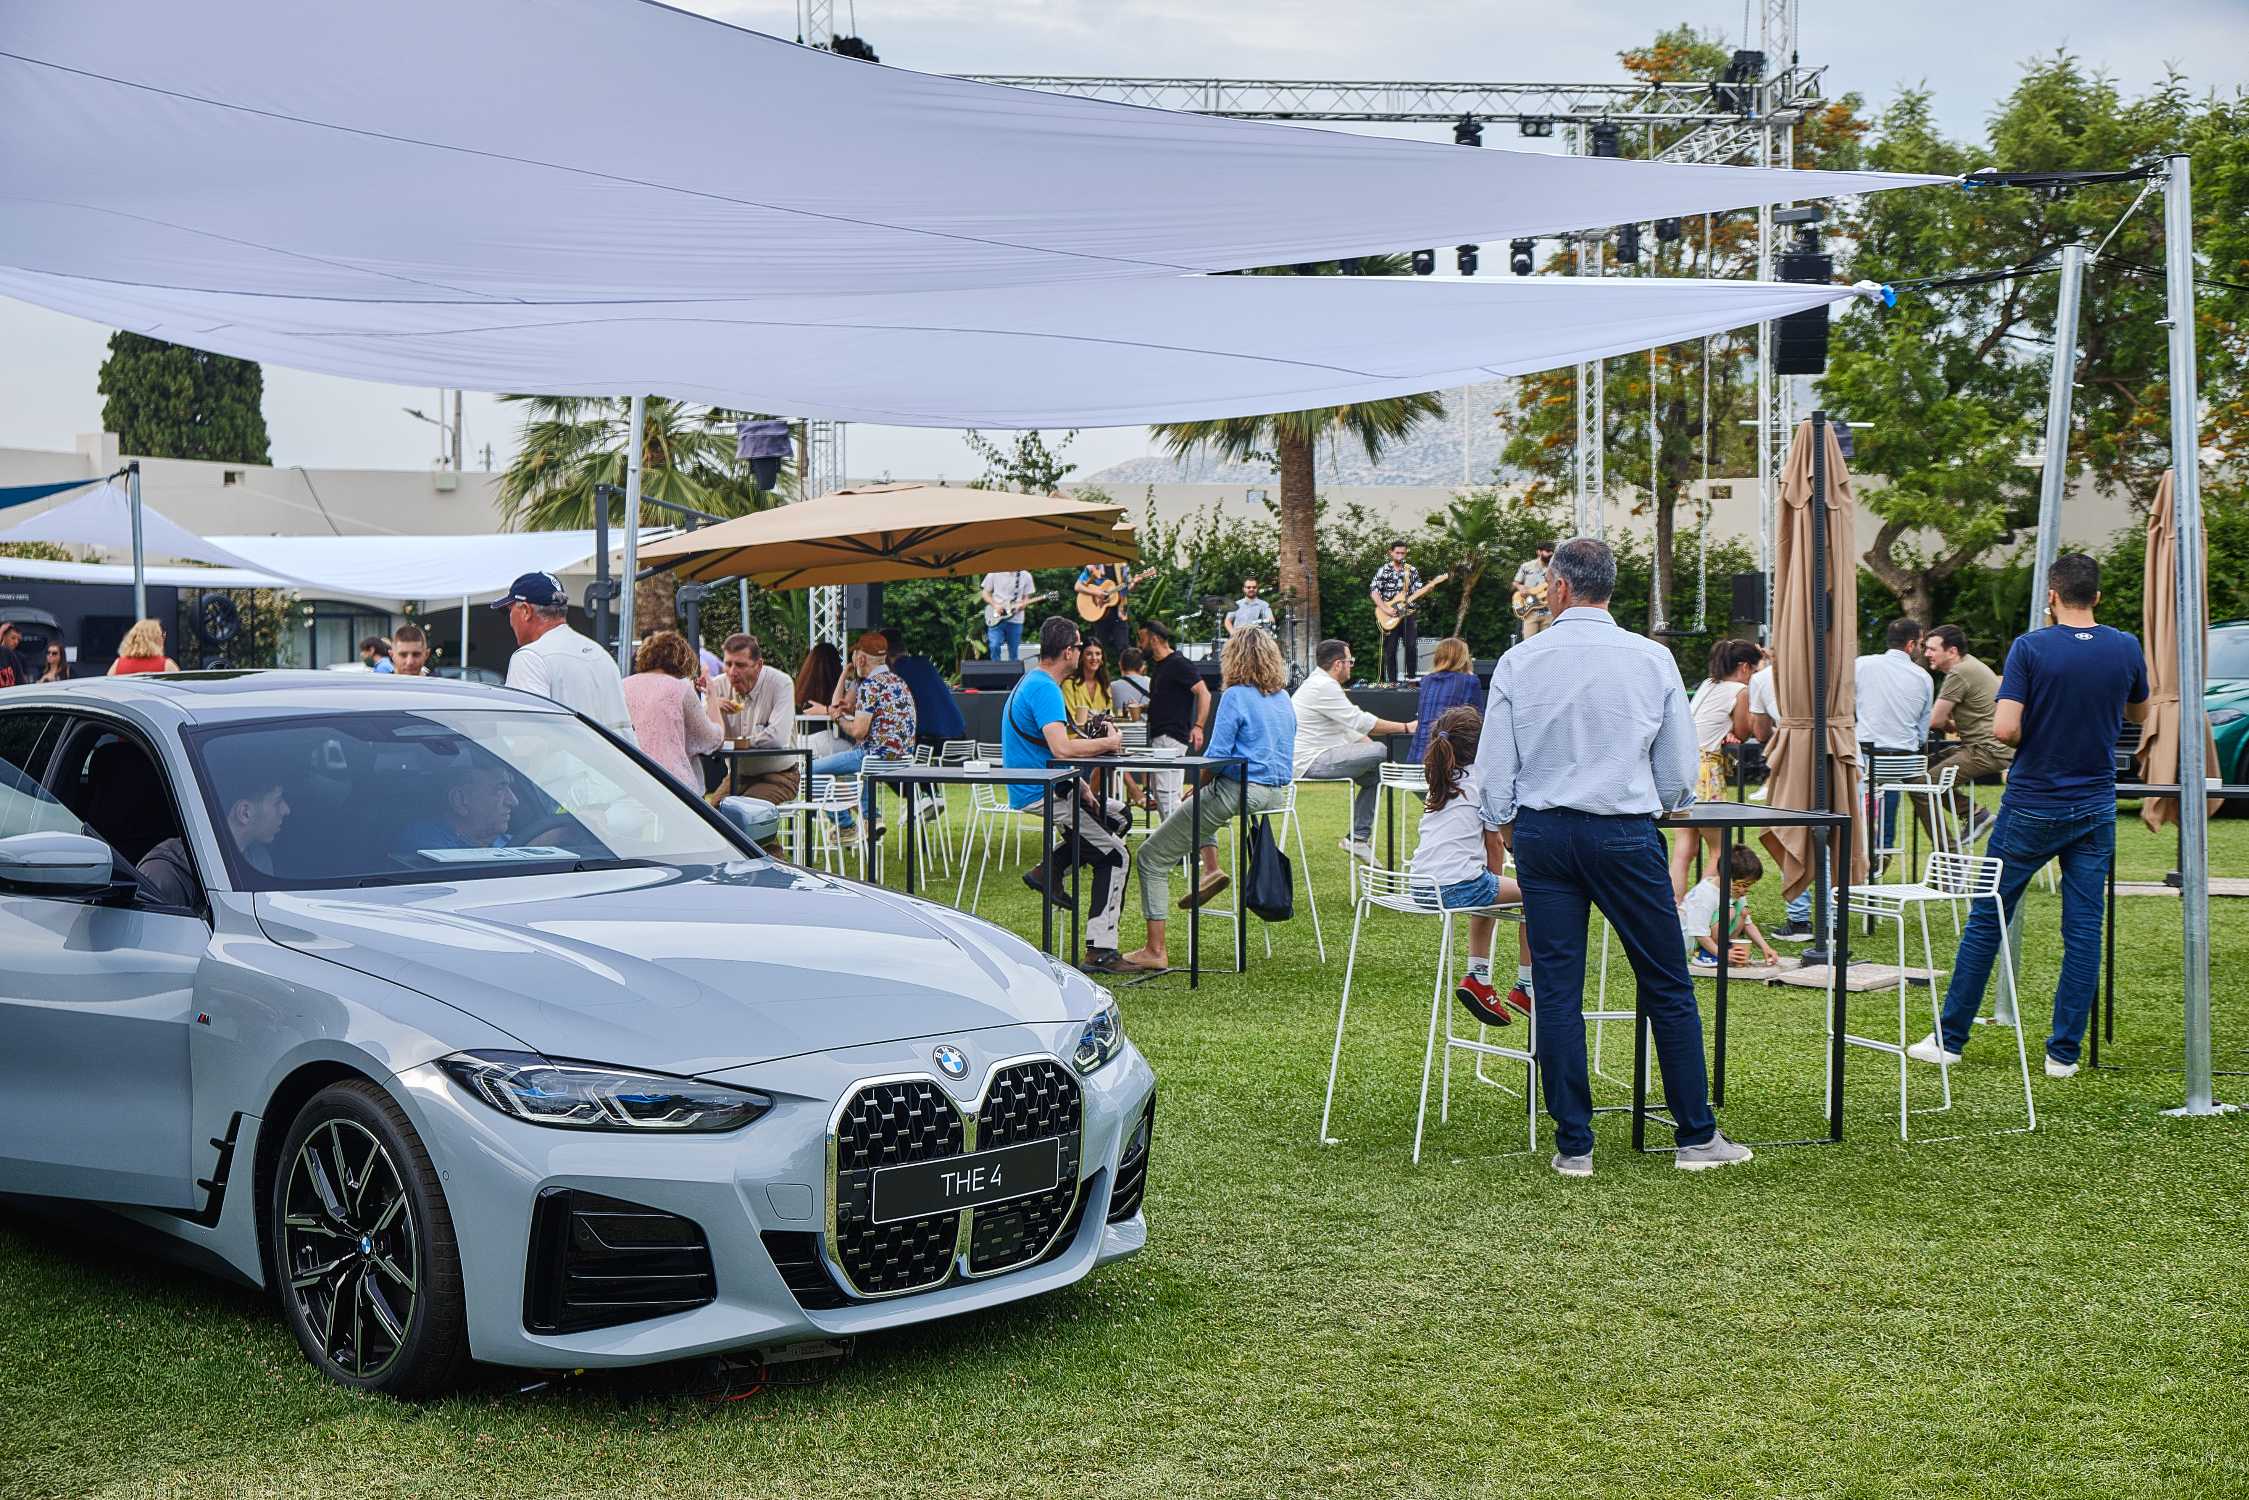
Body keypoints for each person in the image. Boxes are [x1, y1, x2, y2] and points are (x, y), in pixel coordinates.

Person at [1475, 536, 1751, 1176]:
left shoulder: (1520, 659)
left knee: (1556, 988)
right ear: (1608, 588)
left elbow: (1493, 770)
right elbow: (1678, 772)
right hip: (1625, 832)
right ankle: (1696, 1136)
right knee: (1667, 982)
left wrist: (1512, 828)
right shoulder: (1653, 658)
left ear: (1559, 587)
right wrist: (1656, 804)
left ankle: (1574, 1145)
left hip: (1544, 833)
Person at [1909, 553, 2150, 1080]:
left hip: (2034, 801)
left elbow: (2004, 730)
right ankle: (2063, 1054)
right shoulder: (2125, 646)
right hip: (2095, 803)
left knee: (1987, 919)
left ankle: (1950, 1040)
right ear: (2098, 597)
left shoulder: (2031, 647)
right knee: (2083, 930)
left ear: (2052, 596)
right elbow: (2138, 711)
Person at [1115, 627, 1294, 973]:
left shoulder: (1236, 696)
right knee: (1197, 806)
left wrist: (1199, 784)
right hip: (1274, 796)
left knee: (1151, 857)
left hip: (1238, 791)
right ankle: (1210, 870)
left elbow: (1216, 757)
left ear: (1234, 658)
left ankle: (1155, 950)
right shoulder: (1282, 698)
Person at [1001, 616, 1130, 971]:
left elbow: (1045, 748)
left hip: (1048, 785)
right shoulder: (1045, 688)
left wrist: (1080, 783)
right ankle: (1100, 950)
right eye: (1079, 646)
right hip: (1042, 791)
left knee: (1118, 815)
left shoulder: (1034, 681)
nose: (1084, 652)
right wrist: (1110, 743)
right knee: (1116, 856)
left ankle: (1050, 869)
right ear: (1069, 652)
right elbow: (1061, 748)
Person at [1412, 705, 1536, 1027]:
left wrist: (1493, 887)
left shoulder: (1443, 779)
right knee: (1538, 895)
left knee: (1488, 889)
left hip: (1419, 886)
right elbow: (1494, 844)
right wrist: (1496, 883)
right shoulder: (1483, 782)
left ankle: (1479, 976)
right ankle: (1526, 986)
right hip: (1456, 885)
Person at [1292, 638, 1415, 861]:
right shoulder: (1324, 686)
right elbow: (1361, 722)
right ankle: (1358, 838)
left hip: (1317, 755)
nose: (1352, 665)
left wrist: (1385, 761)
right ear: (1338, 664)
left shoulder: (1321, 683)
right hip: (1309, 761)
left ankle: (1357, 839)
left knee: (1377, 771)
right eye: (1350, 661)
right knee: (1380, 750)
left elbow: (1350, 730)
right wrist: (1406, 728)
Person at [137, 748, 292, 905]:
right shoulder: (164, 873)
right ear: (245, 813)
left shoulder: (259, 859)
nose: (286, 810)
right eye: (277, 802)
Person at [495, 572, 636, 744]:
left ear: (525, 611)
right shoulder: (600, 654)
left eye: (509, 610)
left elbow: (525, 742)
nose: (510, 620)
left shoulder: (530, 658)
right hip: (615, 761)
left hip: (562, 763)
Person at [1670, 638, 1759, 899]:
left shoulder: (1709, 684)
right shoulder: (1739, 691)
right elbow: (1743, 732)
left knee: (1684, 849)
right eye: (1754, 671)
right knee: (1720, 851)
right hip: (1706, 772)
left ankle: (1676, 909)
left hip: (1682, 768)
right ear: (1744, 667)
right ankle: (1696, 908)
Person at [809, 630, 916, 836]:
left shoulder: (870, 685)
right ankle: (871, 818)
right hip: (901, 760)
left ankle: (844, 824)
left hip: (873, 758)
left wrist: (837, 717)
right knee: (854, 767)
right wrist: (851, 710)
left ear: (861, 659)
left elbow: (858, 731)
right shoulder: (899, 682)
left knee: (810, 771)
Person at [1919, 624, 2009, 843]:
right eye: (1926, 648)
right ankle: (1974, 814)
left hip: (1986, 750)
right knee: (1919, 770)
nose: (1927, 654)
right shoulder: (1970, 665)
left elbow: (1935, 720)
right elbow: (1949, 720)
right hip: (1986, 747)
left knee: (1924, 785)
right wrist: (1950, 725)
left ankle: (1966, 826)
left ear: (1952, 651)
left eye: (1932, 649)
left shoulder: (1959, 672)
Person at [1854, 617, 1934, 862]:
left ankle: (1864, 842)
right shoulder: (1923, 677)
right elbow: (1922, 731)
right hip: (1905, 762)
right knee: (1889, 780)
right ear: (1910, 645)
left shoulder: (1862, 665)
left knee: (1872, 775)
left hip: (1866, 758)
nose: (1922, 649)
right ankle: (1884, 845)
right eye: (1921, 644)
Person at [622, 629, 724, 790]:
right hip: (674, 785)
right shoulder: (680, 688)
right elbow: (712, 740)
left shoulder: (623, 685)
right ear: (683, 660)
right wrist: (712, 696)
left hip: (629, 780)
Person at [712, 632, 799, 803]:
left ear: (758, 665)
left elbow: (777, 738)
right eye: (728, 664)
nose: (732, 672)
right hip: (737, 776)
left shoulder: (781, 683)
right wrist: (711, 708)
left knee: (743, 812)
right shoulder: (717, 686)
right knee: (706, 815)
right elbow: (705, 736)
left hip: (779, 776)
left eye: (740, 665)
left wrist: (739, 744)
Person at [1137, 619, 1210, 819]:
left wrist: (1199, 726)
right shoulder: (1161, 666)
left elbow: (1204, 692)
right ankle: (1173, 838)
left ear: (1153, 639)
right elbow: (1167, 701)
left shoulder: (1178, 663)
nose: (1139, 645)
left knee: (1167, 796)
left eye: (1141, 639)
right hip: (1161, 738)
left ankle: (1181, 838)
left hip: (1170, 738)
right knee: (1162, 795)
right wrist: (1143, 708)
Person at [1681, 845, 1780, 972]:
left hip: (1711, 937)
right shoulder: (1704, 894)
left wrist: (1765, 947)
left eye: (1749, 885)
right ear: (1725, 877)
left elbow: (1748, 924)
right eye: (1742, 885)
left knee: (1743, 911)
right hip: (1690, 944)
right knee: (1730, 911)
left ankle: (1722, 949)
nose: (1744, 890)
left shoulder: (1734, 891)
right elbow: (1699, 933)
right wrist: (1722, 955)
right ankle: (1705, 953)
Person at [399, 761, 522, 854]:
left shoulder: (514, 841)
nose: (513, 801)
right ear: (460, 800)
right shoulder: (427, 846)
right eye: (499, 789)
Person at [882, 628, 967, 751]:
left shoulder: (895, 675)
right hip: (961, 740)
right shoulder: (925, 664)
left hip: (932, 744)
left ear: (884, 656)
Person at [1407, 636, 1481, 761]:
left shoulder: (1426, 681)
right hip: (1449, 760)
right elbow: (1479, 721)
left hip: (1416, 759)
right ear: (1463, 657)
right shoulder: (1470, 681)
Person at [1369, 541, 1426, 684]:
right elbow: (1374, 592)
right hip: (1390, 615)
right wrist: (1386, 609)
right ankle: (1392, 682)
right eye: (1397, 552)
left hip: (1408, 613)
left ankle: (1411, 680)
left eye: (1403, 553)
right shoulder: (1383, 570)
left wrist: (1428, 588)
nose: (1400, 555)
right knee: (1390, 649)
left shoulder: (1411, 570)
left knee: (1411, 646)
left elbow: (1418, 591)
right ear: (1391, 552)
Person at [1075, 562, 1135, 660]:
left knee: (1124, 648)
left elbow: (1128, 587)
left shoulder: (1122, 565)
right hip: (1099, 613)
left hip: (1120, 613)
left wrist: (1134, 583)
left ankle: (1128, 669)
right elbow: (1078, 586)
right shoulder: (1094, 565)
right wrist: (1096, 593)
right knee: (1099, 648)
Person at [980, 567, 1038, 662]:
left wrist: (1023, 605)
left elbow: (1026, 597)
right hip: (996, 616)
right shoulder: (994, 573)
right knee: (994, 645)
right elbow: (985, 593)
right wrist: (995, 605)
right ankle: (996, 668)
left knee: (1013, 652)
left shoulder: (1026, 575)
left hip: (1016, 619)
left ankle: (1013, 671)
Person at [1062, 637, 1114, 728]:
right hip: (1076, 735)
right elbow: (1071, 719)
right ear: (1081, 657)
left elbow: (1110, 715)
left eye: (1098, 654)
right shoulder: (1069, 684)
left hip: (1100, 735)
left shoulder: (1105, 684)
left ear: (1102, 658)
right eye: (1089, 654)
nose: (1094, 658)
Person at [1512, 540, 1556, 638]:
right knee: (1528, 642)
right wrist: (1521, 587)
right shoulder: (1526, 566)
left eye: (1552, 551)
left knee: (1547, 642)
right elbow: (1515, 582)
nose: (1550, 554)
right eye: (1547, 551)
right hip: (1530, 611)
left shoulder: (1555, 568)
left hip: (1549, 611)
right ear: (1539, 552)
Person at [107, 619, 178, 675]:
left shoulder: (117, 665)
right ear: (156, 639)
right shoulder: (167, 665)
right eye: (161, 635)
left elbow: (109, 687)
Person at [1110, 647, 1151, 719]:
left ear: (1120, 665)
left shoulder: (1111, 687)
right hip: (1147, 725)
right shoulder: (1151, 682)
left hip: (1121, 725)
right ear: (1142, 667)